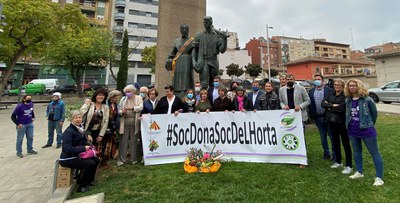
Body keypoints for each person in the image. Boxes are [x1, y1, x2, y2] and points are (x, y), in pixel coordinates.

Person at [344, 78, 384, 186]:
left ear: (359, 86)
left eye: (354, 85)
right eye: (350, 86)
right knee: (356, 152)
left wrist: (369, 124)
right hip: (352, 130)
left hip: (367, 130)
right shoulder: (348, 100)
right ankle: (359, 172)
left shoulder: (367, 99)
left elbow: (374, 114)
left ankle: (379, 177)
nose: (352, 87)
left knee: (374, 153)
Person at [59, 110, 100, 193]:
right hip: (67, 159)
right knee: (90, 163)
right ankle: (82, 186)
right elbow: (67, 149)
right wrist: (84, 148)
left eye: (80, 117)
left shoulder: (79, 128)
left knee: (96, 160)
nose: (78, 119)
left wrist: (88, 139)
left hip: (77, 155)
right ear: (71, 119)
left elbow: (80, 141)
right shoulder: (69, 132)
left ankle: (88, 181)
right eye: (76, 118)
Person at [279, 74, 310, 168]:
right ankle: (291, 156)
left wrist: (300, 106)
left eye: (291, 79)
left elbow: (308, 101)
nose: (289, 80)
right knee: (289, 137)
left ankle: (303, 159)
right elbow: (281, 101)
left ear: (294, 79)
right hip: (288, 117)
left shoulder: (301, 88)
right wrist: (283, 106)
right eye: (287, 79)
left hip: (300, 116)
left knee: (301, 137)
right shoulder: (281, 90)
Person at [322, 79, 352, 174]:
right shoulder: (331, 94)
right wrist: (333, 105)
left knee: (345, 143)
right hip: (331, 121)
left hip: (342, 122)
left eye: (339, 84)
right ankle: (338, 161)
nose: (337, 86)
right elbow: (323, 103)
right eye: (335, 84)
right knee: (335, 142)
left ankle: (349, 165)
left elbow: (342, 108)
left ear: (343, 85)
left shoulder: (346, 95)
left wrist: (329, 107)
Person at [192, 16, 228, 89]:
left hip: (213, 60)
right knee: (204, 84)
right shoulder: (199, 35)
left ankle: (212, 99)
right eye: (204, 23)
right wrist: (193, 61)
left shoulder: (218, 35)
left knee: (214, 83)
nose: (205, 24)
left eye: (207, 23)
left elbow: (222, 50)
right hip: (204, 60)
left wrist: (225, 40)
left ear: (211, 23)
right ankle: (204, 99)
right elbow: (194, 49)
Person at [308, 74, 335, 160]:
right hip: (318, 117)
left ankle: (335, 154)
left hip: (329, 116)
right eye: (315, 79)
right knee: (323, 136)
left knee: (332, 136)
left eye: (319, 79)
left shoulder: (330, 90)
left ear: (323, 81)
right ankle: (326, 153)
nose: (317, 80)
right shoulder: (311, 91)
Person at [117, 85, 143, 166]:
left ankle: (133, 158)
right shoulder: (123, 99)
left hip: (134, 122)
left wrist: (132, 108)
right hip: (124, 122)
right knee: (123, 141)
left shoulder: (138, 98)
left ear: (133, 91)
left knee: (134, 141)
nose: (128, 93)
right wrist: (122, 112)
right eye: (126, 92)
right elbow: (119, 110)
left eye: (129, 91)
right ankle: (122, 159)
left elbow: (140, 107)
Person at [167, 24, 195, 98]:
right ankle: (177, 92)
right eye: (182, 29)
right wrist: (169, 58)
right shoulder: (177, 41)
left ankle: (186, 92)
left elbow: (195, 53)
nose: (184, 30)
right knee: (177, 78)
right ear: (180, 30)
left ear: (188, 30)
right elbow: (173, 52)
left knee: (186, 78)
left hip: (187, 61)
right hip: (178, 61)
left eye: (186, 29)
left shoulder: (192, 41)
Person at [102, 90, 121, 166]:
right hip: (107, 125)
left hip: (113, 126)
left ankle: (109, 157)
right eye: (116, 98)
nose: (117, 99)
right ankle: (103, 158)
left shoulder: (116, 105)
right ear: (111, 97)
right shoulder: (106, 104)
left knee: (112, 141)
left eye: (118, 98)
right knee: (105, 141)